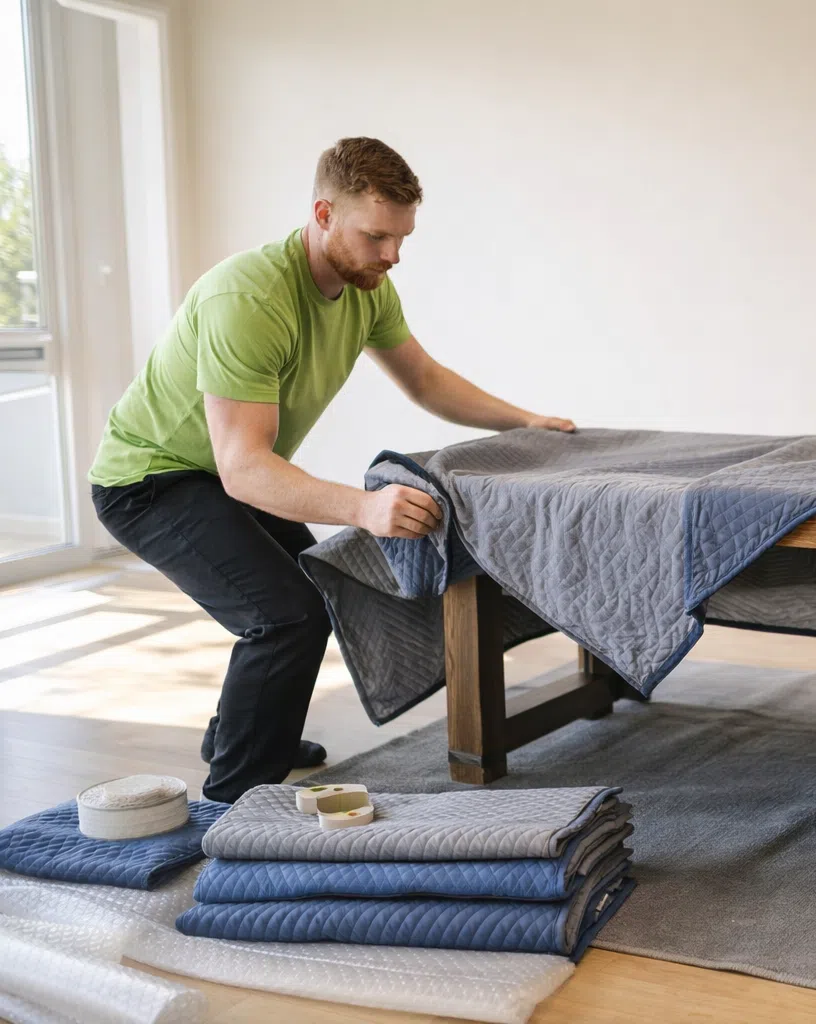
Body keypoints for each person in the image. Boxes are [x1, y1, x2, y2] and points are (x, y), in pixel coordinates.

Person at [88, 137, 575, 804]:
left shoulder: (367, 287)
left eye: (401, 237)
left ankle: (245, 732)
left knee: (313, 593)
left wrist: (524, 422)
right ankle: (234, 806)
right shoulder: (250, 298)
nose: (392, 255)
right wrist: (364, 507)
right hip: (151, 480)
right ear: (323, 214)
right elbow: (243, 470)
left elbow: (426, 380)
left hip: (231, 469)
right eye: (377, 236)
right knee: (284, 617)